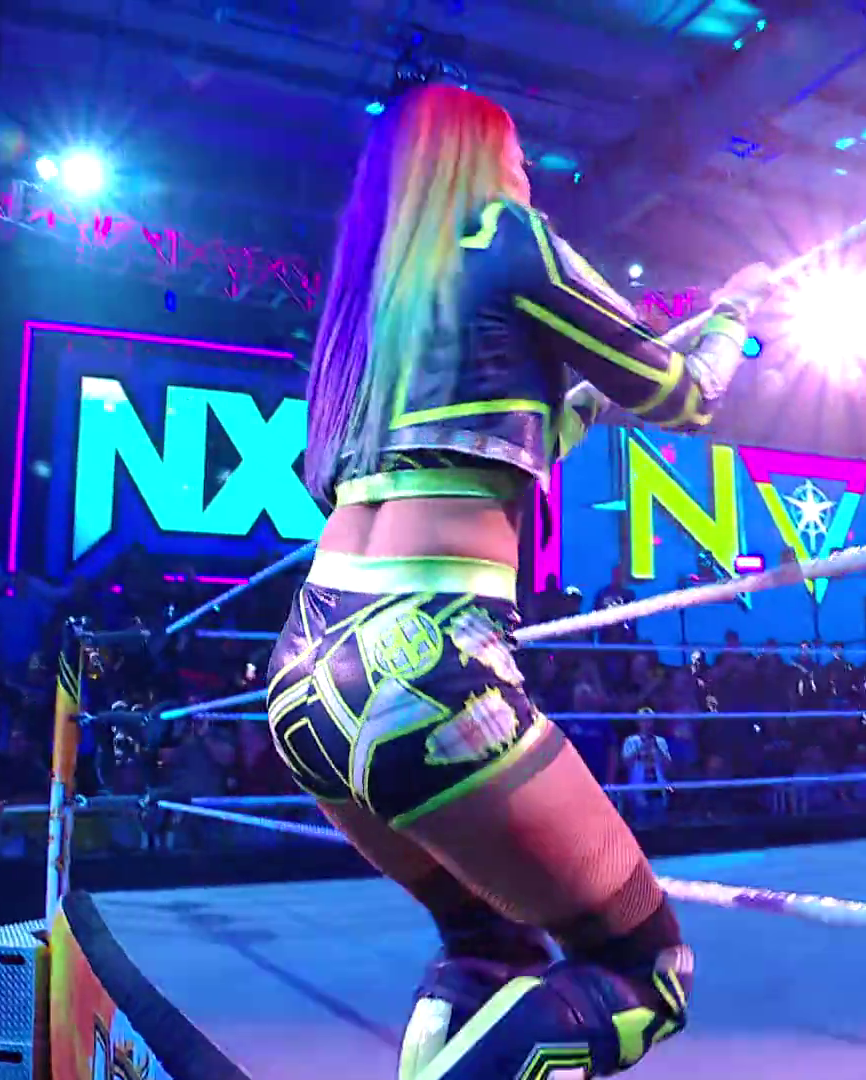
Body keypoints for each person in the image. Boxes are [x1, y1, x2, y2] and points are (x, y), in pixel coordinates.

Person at [265, 82, 771, 1078]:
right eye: (516, 153)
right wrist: (733, 313)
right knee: (647, 968)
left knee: (489, 944)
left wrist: (583, 391)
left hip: (302, 673)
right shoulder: (510, 237)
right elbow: (686, 394)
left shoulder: (367, 314)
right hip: (425, 658)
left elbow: (503, 437)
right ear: (476, 158)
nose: (529, 171)